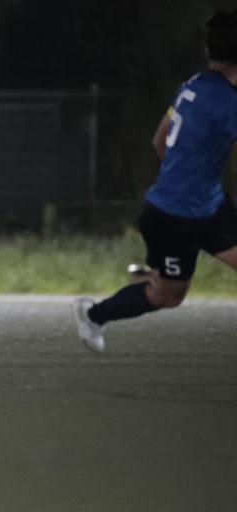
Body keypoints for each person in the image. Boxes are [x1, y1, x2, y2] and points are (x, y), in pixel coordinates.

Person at [73, 11, 237, 353]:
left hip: (208, 206)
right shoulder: (228, 102)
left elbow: (160, 141)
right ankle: (92, 314)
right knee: (167, 296)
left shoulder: (194, 84)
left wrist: (190, 176)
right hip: (173, 218)